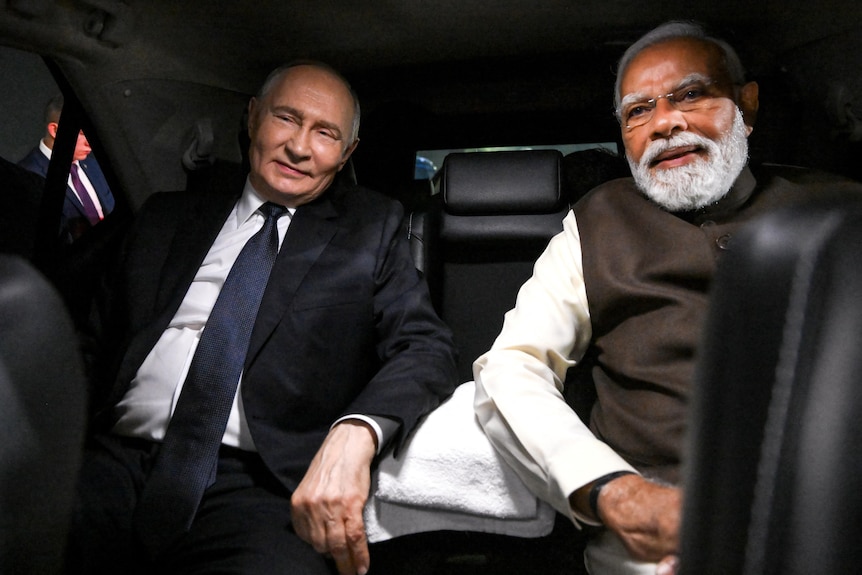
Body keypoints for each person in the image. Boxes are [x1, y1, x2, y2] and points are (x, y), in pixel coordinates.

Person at [473, 20, 860, 575]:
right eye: (638, 111)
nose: (664, 123)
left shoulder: (839, 208)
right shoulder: (597, 222)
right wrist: (615, 493)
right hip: (651, 544)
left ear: (747, 108)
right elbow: (513, 366)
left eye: (691, 95)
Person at [68, 61, 459, 575]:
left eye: (325, 133)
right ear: (253, 118)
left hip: (262, 485)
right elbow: (89, 346)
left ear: (347, 154)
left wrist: (356, 432)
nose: (299, 147)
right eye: (286, 118)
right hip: (111, 461)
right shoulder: (165, 218)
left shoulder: (371, 230)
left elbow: (425, 348)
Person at [18, 93, 115, 241]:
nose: (89, 142)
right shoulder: (26, 178)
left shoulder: (94, 165)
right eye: (82, 133)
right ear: (55, 130)